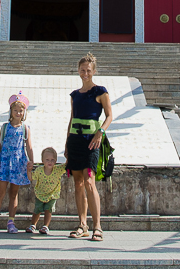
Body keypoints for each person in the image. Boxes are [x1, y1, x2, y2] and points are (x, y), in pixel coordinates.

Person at [65, 53, 113, 242]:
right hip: (75, 140)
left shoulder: (100, 92)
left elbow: (109, 116)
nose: (85, 73)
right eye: (82, 70)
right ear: (78, 71)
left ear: (94, 71)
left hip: (92, 141)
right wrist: (66, 142)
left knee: (89, 182)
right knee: (77, 183)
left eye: (88, 70)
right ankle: (82, 224)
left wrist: (100, 131)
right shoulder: (75, 95)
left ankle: (97, 226)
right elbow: (71, 118)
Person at [0, 92, 35, 234]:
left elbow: (29, 146)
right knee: (0, 192)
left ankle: (11, 221)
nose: (18, 113)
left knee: (14, 193)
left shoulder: (25, 129)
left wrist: (31, 161)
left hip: (18, 163)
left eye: (21, 111)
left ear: (24, 112)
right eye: (15, 110)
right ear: (11, 111)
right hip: (5, 161)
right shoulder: (5, 127)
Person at [26, 147, 67, 234]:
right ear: (42, 160)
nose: (50, 162)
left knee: (48, 210)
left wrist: (68, 156)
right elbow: (31, 178)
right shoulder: (39, 170)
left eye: (52, 160)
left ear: (55, 161)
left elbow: (66, 166)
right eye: (47, 159)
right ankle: (33, 224)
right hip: (40, 194)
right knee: (37, 210)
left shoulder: (58, 170)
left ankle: (45, 226)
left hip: (52, 194)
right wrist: (29, 171)